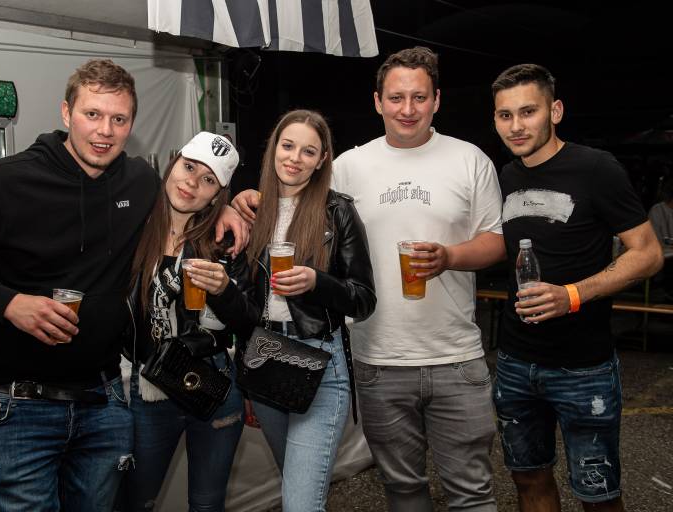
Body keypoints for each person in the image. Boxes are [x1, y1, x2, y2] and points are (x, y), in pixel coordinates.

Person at [0, 59, 247, 511]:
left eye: (119, 119)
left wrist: (230, 207)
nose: (105, 131)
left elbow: (189, 198)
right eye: (92, 114)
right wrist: (8, 303)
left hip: (103, 402)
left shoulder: (139, 182)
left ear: (131, 125)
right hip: (17, 406)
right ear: (67, 113)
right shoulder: (3, 182)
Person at [233, 49, 504, 511]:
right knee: (402, 488)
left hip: (456, 355)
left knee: (472, 492)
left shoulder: (470, 159)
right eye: (396, 97)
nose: (407, 108)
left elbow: (496, 242)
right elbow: (294, 194)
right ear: (378, 102)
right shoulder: (350, 166)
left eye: (419, 97)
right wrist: (244, 198)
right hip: (376, 357)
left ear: (437, 100)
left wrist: (450, 256)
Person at [491, 63, 664, 512]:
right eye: (505, 115)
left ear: (555, 111)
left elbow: (647, 253)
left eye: (528, 112)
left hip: (583, 368)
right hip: (515, 362)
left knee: (597, 495)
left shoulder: (596, 168)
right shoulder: (506, 176)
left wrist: (571, 295)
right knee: (528, 480)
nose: (516, 126)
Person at [214, 109, 376, 511]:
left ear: (322, 160)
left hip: (320, 363)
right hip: (265, 356)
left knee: (300, 503)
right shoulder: (254, 212)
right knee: (299, 489)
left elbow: (363, 298)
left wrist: (317, 283)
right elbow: (245, 307)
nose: (295, 158)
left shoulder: (337, 211)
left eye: (308, 151)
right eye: (288, 146)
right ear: (274, 149)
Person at [120, 131, 246, 511]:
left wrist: (224, 291)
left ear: (217, 195)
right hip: (151, 385)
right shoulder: (133, 224)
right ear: (173, 162)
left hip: (214, 380)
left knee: (207, 504)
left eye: (208, 180)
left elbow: (249, 322)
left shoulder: (226, 240)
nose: (192, 183)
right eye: (189, 167)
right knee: (135, 501)